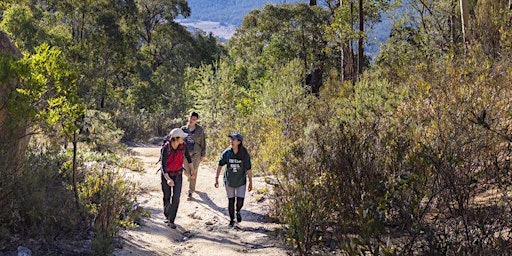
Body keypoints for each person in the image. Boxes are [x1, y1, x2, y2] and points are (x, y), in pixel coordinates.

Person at [214, 133, 252, 227]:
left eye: (234, 139)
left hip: (241, 181)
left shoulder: (244, 153)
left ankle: (238, 211)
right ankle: (231, 220)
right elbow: (220, 164)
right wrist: (216, 178)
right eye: (231, 139)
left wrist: (251, 182)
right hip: (229, 181)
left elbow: (248, 168)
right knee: (231, 201)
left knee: (240, 201)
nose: (231, 141)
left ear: (239, 142)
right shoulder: (227, 152)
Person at [161, 128, 195, 228]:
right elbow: (163, 166)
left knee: (176, 197)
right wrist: (168, 179)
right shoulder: (166, 148)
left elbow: (188, 158)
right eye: (182, 137)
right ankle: (167, 216)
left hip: (178, 174)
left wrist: (193, 171)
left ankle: (172, 220)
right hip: (166, 175)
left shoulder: (183, 146)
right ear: (176, 138)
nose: (183, 138)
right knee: (167, 196)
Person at [181, 111, 206, 198]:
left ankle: (191, 190)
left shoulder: (200, 130)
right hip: (185, 153)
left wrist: (203, 154)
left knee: (194, 171)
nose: (192, 120)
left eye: (194, 119)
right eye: (191, 118)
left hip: (196, 153)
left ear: (196, 120)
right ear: (189, 117)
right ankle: (189, 178)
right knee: (186, 171)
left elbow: (203, 142)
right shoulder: (183, 129)